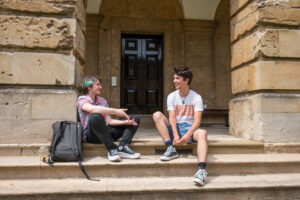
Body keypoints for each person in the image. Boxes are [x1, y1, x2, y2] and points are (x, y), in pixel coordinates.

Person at [153, 67, 208, 185]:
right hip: (176, 127)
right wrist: (176, 135)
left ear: (186, 80)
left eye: (177, 78)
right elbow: (172, 118)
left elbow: (197, 121)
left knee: (203, 133)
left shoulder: (196, 97)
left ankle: (201, 170)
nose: (174, 81)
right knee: (157, 115)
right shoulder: (171, 96)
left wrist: (188, 135)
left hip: (190, 128)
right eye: (174, 78)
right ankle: (170, 148)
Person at [77, 75, 141, 162]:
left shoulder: (102, 100)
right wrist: (115, 111)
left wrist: (125, 122)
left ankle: (123, 147)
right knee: (95, 117)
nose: (101, 87)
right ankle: (112, 149)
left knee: (135, 118)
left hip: (106, 133)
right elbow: (91, 109)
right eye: (98, 84)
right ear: (89, 87)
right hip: (92, 136)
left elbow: (109, 121)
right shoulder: (82, 100)